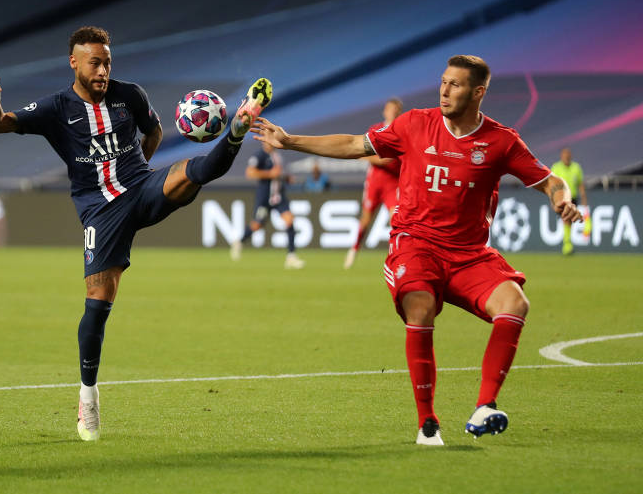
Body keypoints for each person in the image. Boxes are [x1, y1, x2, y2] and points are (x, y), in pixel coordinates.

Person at [252, 55, 582, 446]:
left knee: (515, 303)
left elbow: (549, 180)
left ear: (478, 92)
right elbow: (356, 144)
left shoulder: (501, 141)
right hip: (416, 243)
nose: (444, 90)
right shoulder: (413, 124)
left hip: (469, 254)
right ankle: (428, 423)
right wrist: (290, 141)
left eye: (455, 84)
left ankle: (484, 407)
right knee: (420, 306)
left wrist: (562, 198)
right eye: (443, 82)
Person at [0, 26, 272, 441]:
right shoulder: (55, 108)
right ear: (74, 63)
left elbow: (152, 132)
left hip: (141, 186)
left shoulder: (130, 95)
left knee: (195, 172)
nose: (102, 71)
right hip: (100, 212)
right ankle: (88, 395)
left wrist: (137, 172)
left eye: (107, 62)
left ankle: (237, 129)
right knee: (98, 302)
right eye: (94, 63)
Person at [344, 98, 403, 270]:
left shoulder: (402, 131)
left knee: (397, 220)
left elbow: (396, 159)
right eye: (390, 109)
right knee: (365, 219)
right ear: (385, 111)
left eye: (395, 109)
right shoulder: (375, 130)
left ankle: (397, 256)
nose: (392, 112)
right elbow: (363, 154)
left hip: (393, 183)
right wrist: (379, 160)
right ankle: (354, 249)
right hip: (375, 182)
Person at [230, 142, 304, 269]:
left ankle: (291, 256)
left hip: (279, 197)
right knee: (257, 225)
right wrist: (270, 174)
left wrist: (286, 178)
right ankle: (239, 242)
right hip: (264, 199)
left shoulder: (277, 156)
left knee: (290, 220)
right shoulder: (259, 155)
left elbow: (278, 174)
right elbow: (250, 173)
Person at [551, 147, 590, 255]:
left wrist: (584, 199)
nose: (567, 156)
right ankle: (567, 245)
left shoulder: (576, 168)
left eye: (568, 154)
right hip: (561, 199)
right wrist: (552, 200)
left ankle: (567, 244)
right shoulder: (556, 167)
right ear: (561, 156)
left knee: (569, 220)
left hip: (573, 198)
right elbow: (551, 185)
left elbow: (580, 185)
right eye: (565, 154)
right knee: (566, 219)